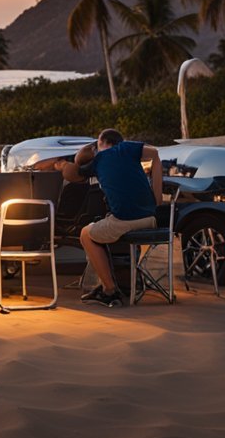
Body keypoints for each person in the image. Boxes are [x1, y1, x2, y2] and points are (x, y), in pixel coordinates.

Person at [58, 129, 163, 308]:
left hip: (125, 220)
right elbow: (155, 154)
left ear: (101, 143)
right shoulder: (128, 148)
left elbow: (71, 174)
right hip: (150, 218)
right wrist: (157, 197)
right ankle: (113, 283)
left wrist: (70, 161)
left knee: (86, 234)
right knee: (103, 225)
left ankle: (110, 289)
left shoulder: (98, 160)